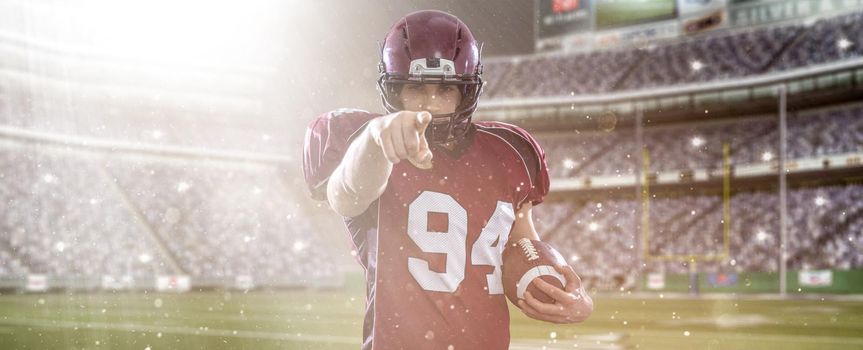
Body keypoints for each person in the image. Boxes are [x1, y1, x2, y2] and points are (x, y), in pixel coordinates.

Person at [303, 10, 592, 350]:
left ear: (467, 91)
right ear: (394, 89)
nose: (430, 105)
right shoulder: (361, 141)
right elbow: (346, 196)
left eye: (445, 90)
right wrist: (374, 142)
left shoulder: (511, 153)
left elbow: (519, 245)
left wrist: (569, 295)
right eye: (415, 88)